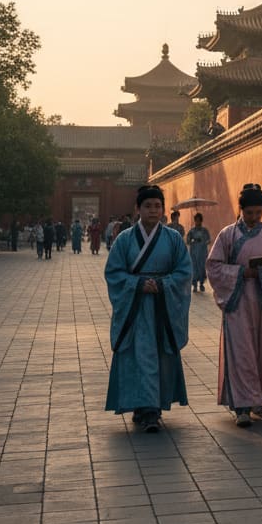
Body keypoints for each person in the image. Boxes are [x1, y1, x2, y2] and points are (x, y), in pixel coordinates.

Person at [104, 184, 192, 433]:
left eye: (157, 206)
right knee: (138, 354)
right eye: (147, 206)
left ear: (163, 209)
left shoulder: (174, 239)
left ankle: (152, 408)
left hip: (163, 307)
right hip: (136, 308)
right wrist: (137, 284)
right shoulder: (125, 239)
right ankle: (143, 407)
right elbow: (113, 272)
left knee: (158, 355)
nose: (153, 210)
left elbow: (185, 272)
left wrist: (164, 284)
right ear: (137, 209)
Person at [206, 183, 262, 427]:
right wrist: (240, 273)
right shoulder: (227, 235)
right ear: (240, 209)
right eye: (249, 213)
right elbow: (213, 266)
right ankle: (242, 406)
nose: (254, 218)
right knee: (241, 353)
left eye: (258, 212)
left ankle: (260, 398)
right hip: (237, 301)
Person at [185, 213, 211, 293]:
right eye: (196, 220)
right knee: (194, 268)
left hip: (202, 253)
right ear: (195, 221)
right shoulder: (191, 231)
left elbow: (209, 240)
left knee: (202, 268)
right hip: (194, 253)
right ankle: (195, 285)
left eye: (199, 221)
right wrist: (194, 240)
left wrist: (204, 241)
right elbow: (188, 241)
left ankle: (201, 284)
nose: (198, 222)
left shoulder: (205, 231)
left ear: (201, 221)